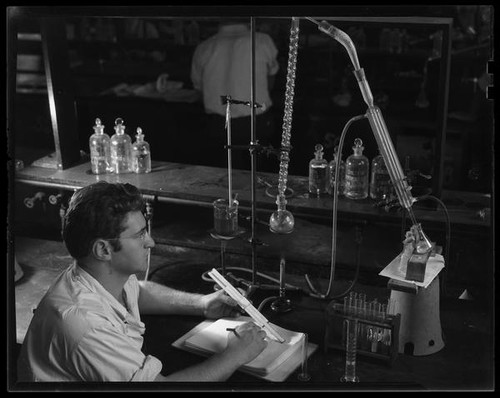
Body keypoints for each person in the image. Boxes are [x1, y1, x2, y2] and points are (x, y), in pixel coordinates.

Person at [17, 181, 267, 382]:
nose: (151, 243)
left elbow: (138, 291)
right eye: (139, 236)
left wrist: (202, 304)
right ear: (103, 250)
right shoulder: (85, 326)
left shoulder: (100, 274)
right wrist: (235, 354)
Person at [190, 19, 280, 171]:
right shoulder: (262, 41)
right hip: (256, 122)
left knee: (223, 178)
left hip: (219, 125)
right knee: (258, 178)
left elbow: (199, 90)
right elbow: (271, 80)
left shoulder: (204, 48)